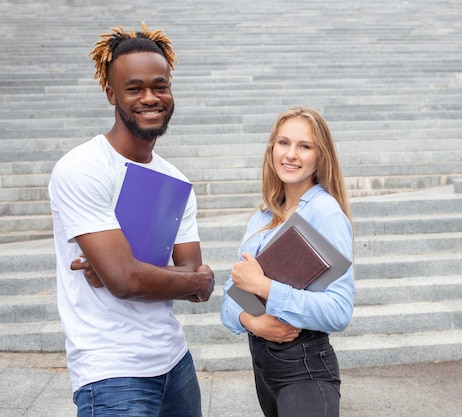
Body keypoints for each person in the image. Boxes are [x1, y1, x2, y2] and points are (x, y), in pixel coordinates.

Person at [48, 23, 215, 417]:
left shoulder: (174, 179)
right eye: (134, 88)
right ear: (111, 94)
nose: (150, 98)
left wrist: (131, 269)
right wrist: (190, 279)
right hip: (111, 374)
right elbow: (129, 281)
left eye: (160, 86)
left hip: (176, 364)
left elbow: (185, 273)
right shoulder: (82, 168)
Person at [220, 107, 355, 417]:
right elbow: (231, 298)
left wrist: (265, 287)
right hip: (265, 368)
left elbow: (339, 311)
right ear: (272, 149)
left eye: (304, 146)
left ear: (320, 156)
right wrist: (251, 322)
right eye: (283, 143)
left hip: (304, 370)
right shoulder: (264, 213)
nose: (291, 154)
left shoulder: (325, 213)